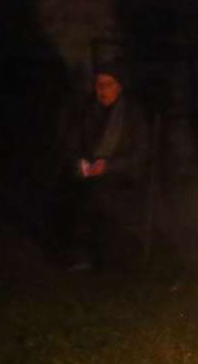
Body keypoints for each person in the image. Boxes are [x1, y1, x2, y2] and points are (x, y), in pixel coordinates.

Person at [58, 63, 150, 270]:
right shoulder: (89, 110)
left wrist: (109, 166)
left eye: (107, 84)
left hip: (122, 173)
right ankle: (79, 254)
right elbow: (74, 141)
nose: (102, 90)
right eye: (99, 85)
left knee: (101, 193)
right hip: (91, 170)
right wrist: (80, 162)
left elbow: (140, 152)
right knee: (70, 188)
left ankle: (107, 255)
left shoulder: (131, 113)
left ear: (118, 87)